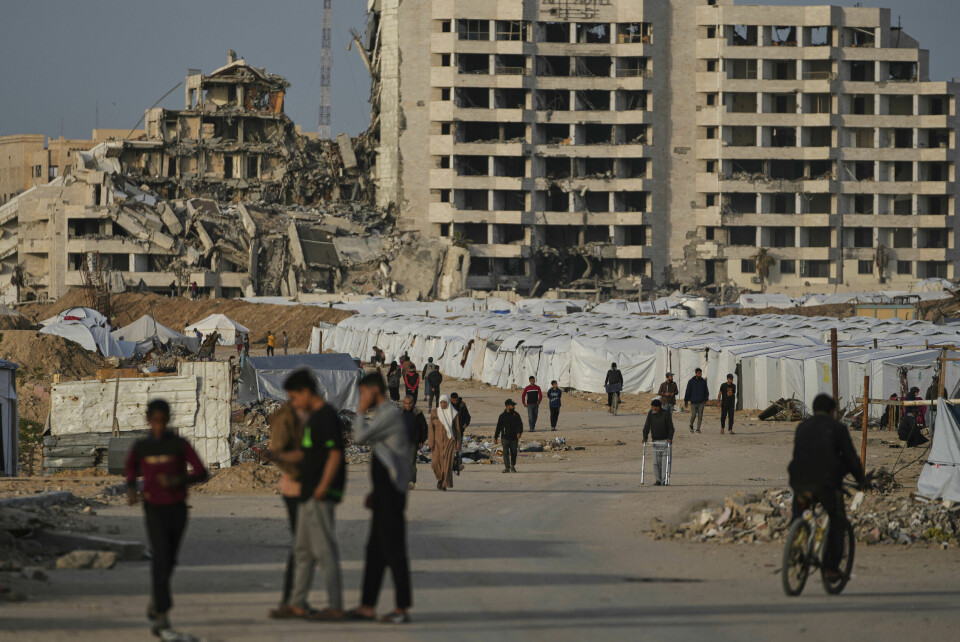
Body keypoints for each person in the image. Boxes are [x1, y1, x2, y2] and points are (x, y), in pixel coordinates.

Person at [125, 399, 208, 636]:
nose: (159, 426)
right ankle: (162, 612)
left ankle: (157, 599)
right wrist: (131, 489)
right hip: (153, 508)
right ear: (149, 421)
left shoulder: (179, 445)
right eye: (155, 421)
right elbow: (131, 467)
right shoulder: (142, 447)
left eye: (163, 421)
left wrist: (177, 481)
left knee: (170, 559)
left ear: (168, 420)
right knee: (160, 557)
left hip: (177, 508)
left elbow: (202, 472)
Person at [269, 370, 346, 620]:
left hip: (319, 492)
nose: (293, 402)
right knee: (302, 550)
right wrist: (278, 456)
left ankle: (335, 606)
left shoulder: (326, 417)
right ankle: (297, 603)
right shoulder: (312, 419)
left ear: (305, 392)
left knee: (324, 551)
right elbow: (306, 456)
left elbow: (334, 455)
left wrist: (323, 486)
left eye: (294, 396)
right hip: (306, 491)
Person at [348, 374, 414, 624]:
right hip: (383, 494)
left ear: (375, 391)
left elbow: (360, 438)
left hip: (391, 497)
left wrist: (360, 412)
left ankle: (402, 609)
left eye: (364, 393)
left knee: (394, 550)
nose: (362, 398)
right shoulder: (387, 414)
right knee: (375, 551)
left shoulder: (388, 414)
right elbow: (386, 456)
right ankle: (367, 605)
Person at [788, 394, 866, 581]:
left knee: (799, 511)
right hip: (825, 484)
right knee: (837, 520)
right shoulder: (837, 429)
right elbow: (851, 458)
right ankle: (830, 568)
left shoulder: (802, 427)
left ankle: (794, 546)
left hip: (799, 481)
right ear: (832, 411)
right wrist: (861, 480)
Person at [266, 402, 304, 614]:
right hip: (297, 489)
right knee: (304, 546)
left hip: (295, 488)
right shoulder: (291, 422)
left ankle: (294, 600)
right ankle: (292, 600)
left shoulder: (288, 420)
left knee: (303, 547)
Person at [429, 395, 460, 490]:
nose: (443, 404)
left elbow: (457, 429)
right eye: (441, 402)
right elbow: (431, 428)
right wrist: (431, 442)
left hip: (449, 441)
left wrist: (458, 443)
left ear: (448, 403)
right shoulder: (435, 413)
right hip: (437, 442)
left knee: (447, 464)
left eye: (445, 402)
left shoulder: (453, 414)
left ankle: (444, 484)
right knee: (435, 463)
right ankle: (440, 479)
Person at [642, 399, 675, 486]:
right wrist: (645, 437)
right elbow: (646, 427)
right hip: (655, 442)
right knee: (655, 463)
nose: (652, 408)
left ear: (658, 407)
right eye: (651, 407)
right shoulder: (650, 414)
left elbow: (671, 428)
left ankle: (665, 480)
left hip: (665, 441)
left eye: (653, 407)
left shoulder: (666, 414)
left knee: (665, 463)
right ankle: (658, 480)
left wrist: (670, 438)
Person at [401, 395, 428, 488]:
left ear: (413, 403)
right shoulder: (399, 413)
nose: (408, 405)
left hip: (413, 441)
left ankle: (411, 481)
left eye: (410, 403)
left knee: (411, 462)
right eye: (406, 403)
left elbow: (424, 427)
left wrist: (421, 440)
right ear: (403, 403)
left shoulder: (418, 413)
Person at [495, 399, 523, 473]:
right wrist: (495, 437)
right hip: (505, 438)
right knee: (505, 453)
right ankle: (507, 468)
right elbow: (498, 427)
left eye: (514, 405)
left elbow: (520, 425)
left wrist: (519, 432)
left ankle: (512, 466)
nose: (514, 407)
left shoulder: (516, 415)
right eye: (512, 405)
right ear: (507, 406)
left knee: (514, 452)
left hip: (514, 438)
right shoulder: (502, 416)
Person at [684, 368, 709, 434]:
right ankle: (691, 425)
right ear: (696, 373)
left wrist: (705, 399)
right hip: (693, 402)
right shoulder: (691, 381)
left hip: (701, 402)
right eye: (698, 373)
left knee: (700, 416)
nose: (700, 374)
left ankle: (698, 429)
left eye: (700, 373)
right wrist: (686, 401)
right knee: (694, 415)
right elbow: (688, 391)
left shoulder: (703, 381)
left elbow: (706, 391)